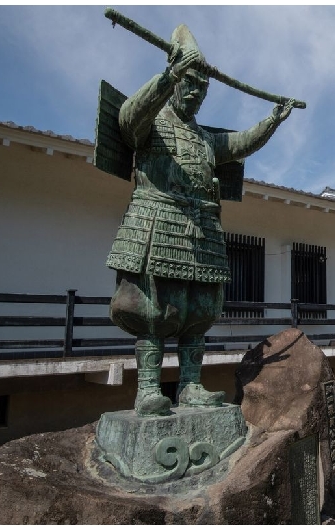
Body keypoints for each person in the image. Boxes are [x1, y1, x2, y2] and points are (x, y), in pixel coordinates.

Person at [106, 24, 293, 416]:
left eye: (201, 88)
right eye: (189, 83)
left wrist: (272, 121)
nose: (195, 92)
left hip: (201, 233)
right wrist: (170, 73)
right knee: (154, 311)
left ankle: (190, 385)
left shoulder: (204, 139)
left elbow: (239, 143)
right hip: (158, 223)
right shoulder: (152, 121)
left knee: (198, 311)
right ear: (176, 80)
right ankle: (148, 391)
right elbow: (127, 118)